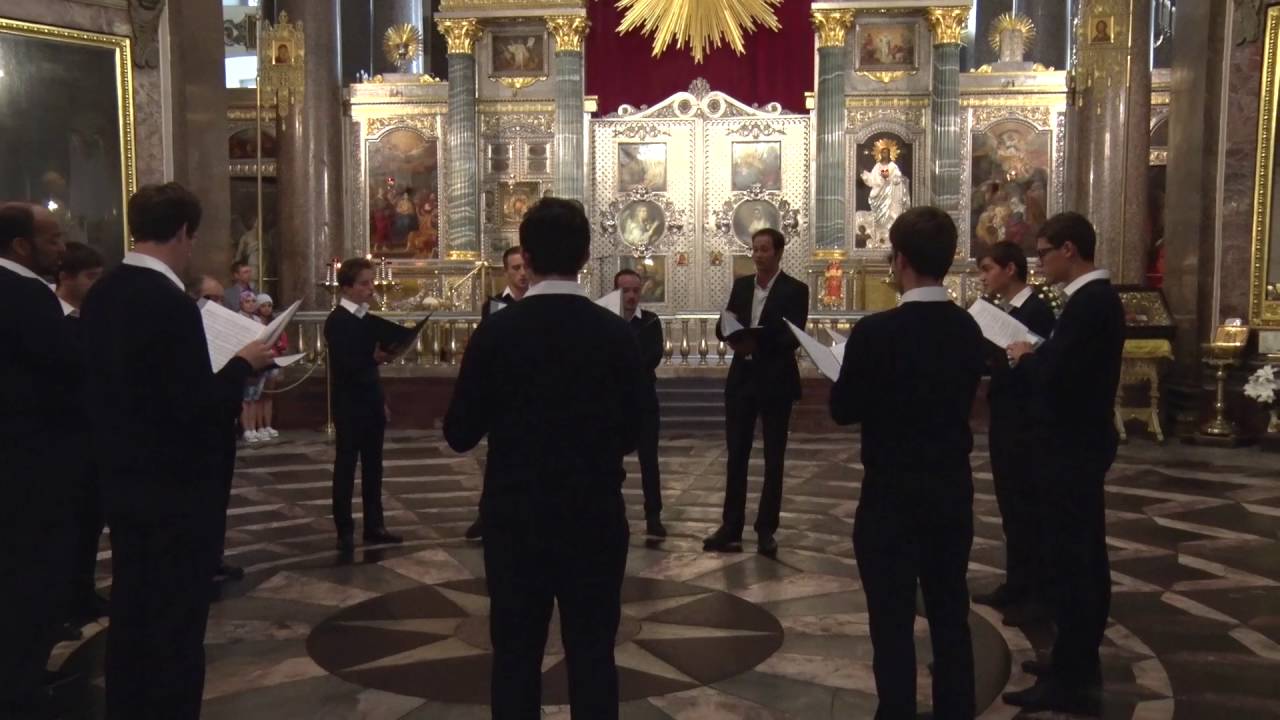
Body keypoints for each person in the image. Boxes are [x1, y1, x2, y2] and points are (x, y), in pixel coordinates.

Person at [444, 197, 645, 719]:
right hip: (594, 517)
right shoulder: (615, 334)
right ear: (585, 256)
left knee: (514, 658)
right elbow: (639, 430)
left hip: (516, 519)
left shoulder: (497, 332)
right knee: (593, 657)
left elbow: (460, 433)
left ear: (526, 258)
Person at [81, 183, 274, 719]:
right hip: (176, 493)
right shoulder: (167, 303)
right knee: (173, 624)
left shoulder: (104, 292)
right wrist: (243, 365)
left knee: (133, 609)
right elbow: (192, 406)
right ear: (186, 233)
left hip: (123, 481)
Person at [830, 207, 986, 719]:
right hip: (949, 488)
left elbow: (843, 409)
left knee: (891, 618)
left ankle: (896, 709)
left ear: (898, 260)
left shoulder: (876, 333)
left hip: (890, 495)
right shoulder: (968, 329)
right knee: (949, 610)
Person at [1004, 212, 1125, 715]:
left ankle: (1072, 678)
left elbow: (1061, 375)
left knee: (1076, 562)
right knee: (1073, 556)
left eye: (1045, 251)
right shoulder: (1089, 302)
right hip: (1073, 443)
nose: (1040, 261)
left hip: (1072, 446)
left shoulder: (1091, 302)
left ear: (1070, 250)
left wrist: (1027, 356)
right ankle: (1074, 660)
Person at [0, 202, 79, 716]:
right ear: (22, 246)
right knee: (31, 580)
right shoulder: (28, 295)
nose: (61, 248)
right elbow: (63, 374)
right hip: (32, 460)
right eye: (52, 239)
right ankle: (20, 687)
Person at [704, 227, 809, 555]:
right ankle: (730, 525)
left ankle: (766, 528)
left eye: (764, 249)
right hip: (742, 381)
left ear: (778, 253)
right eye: (755, 249)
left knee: (773, 457)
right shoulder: (741, 285)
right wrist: (727, 331)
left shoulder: (796, 289)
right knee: (736, 455)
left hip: (776, 380)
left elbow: (793, 334)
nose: (758, 255)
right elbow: (726, 323)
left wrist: (757, 343)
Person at [973, 243, 1057, 626]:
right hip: (1005, 416)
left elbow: (1035, 365)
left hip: (1026, 420)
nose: (984, 276)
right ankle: (1016, 582)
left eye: (988, 268)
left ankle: (1035, 590)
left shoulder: (1036, 310)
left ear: (1010, 269)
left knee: (1027, 506)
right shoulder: (1004, 311)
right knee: (1010, 504)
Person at [325, 257, 404, 553]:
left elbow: (371, 368)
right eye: (364, 284)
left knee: (374, 467)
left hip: (370, 401)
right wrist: (374, 357)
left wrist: (381, 400)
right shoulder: (338, 320)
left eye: (371, 283)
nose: (370, 289)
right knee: (346, 467)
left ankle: (375, 525)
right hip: (348, 405)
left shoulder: (365, 318)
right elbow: (346, 364)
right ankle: (344, 529)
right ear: (346, 287)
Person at [55, 241, 111, 626]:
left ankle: (81, 594)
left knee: (89, 524)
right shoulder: (48, 317)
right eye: (90, 277)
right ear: (66, 277)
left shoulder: (88, 319)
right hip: (60, 441)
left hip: (91, 442)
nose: (96, 285)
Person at [186, 275, 249, 585]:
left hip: (225, 422)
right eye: (211, 299)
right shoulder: (187, 333)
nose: (218, 305)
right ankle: (199, 560)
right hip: (198, 428)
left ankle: (213, 556)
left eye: (222, 299)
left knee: (219, 497)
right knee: (202, 498)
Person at [467, 245, 532, 541]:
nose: (521, 274)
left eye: (524, 268)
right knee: (497, 458)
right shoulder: (494, 305)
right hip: (503, 394)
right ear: (505, 272)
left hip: (531, 393)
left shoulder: (538, 305)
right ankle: (487, 514)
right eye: (515, 268)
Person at [616, 268, 666, 537]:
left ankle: (654, 515)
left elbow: (653, 355)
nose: (632, 296)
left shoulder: (650, 321)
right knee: (611, 461)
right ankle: (613, 511)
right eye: (626, 291)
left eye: (636, 290)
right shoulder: (607, 322)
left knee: (649, 460)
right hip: (614, 403)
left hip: (643, 400)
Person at [256, 293, 285, 440]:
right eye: (263, 305)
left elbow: (283, 341)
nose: (267, 309)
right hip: (261, 361)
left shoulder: (276, 322)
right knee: (258, 396)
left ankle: (268, 425)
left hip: (273, 361)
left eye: (269, 305)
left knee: (269, 396)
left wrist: (280, 344)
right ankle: (259, 426)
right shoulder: (255, 322)